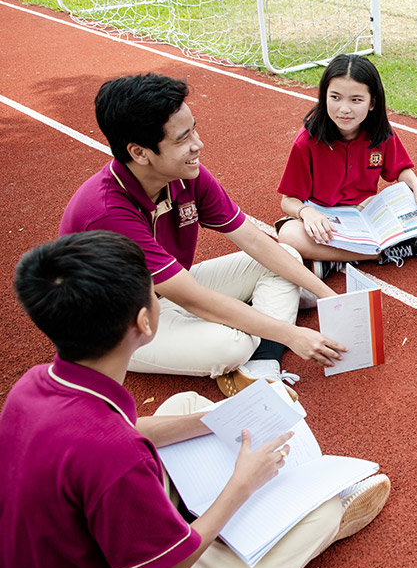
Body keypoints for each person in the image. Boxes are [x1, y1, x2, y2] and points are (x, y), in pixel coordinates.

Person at [0, 230, 390, 568]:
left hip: (53, 567)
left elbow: (122, 433)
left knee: (188, 405)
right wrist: (242, 483)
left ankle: (192, 512)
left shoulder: (33, 384)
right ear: (145, 321)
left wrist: (215, 417)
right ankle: (314, 521)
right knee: (319, 516)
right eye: (153, 292)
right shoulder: (118, 457)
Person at [60, 73, 346, 397]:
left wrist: (329, 297)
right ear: (139, 153)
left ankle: (262, 362)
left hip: (168, 290)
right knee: (229, 345)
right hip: (120, 326)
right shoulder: (108, 213)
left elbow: (252, 239)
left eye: (193, 128)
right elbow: (192, 297)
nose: (198, 144)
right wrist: (290, 333)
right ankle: (263, 334)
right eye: (183, 139)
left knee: (287, 256)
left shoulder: (184, 174)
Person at [276, 54, 417, 275]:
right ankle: (381, 252)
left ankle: (332, 259)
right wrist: (307, 213)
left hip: (366, 212)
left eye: (356, 100)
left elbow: (400, 169)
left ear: (372, 102)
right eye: (335, 97)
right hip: (325, 218)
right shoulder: (306, 141)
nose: (344, 108)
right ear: (324, 96)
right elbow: (289, 200)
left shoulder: (380, 133)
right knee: (288, 235)